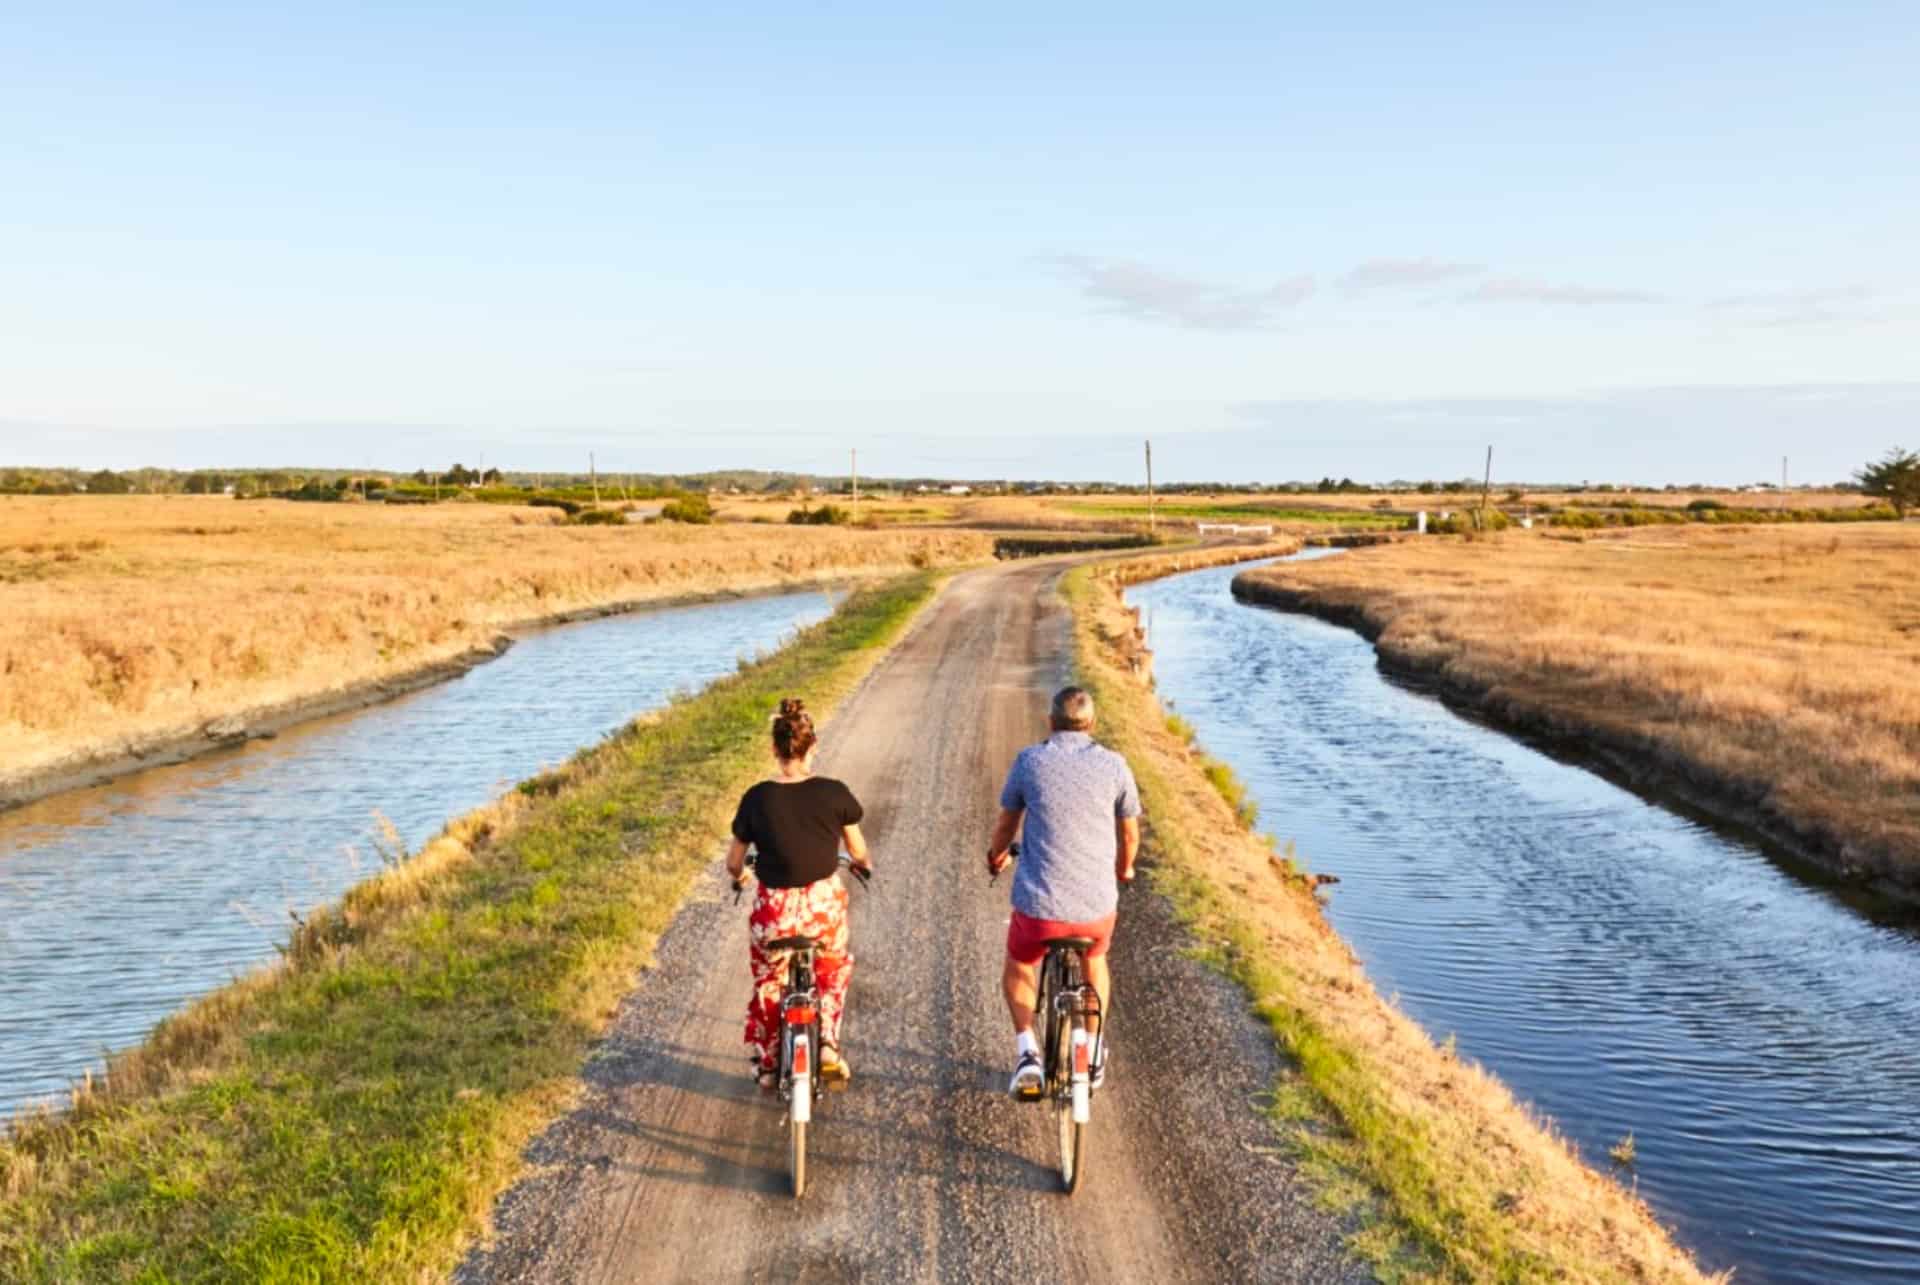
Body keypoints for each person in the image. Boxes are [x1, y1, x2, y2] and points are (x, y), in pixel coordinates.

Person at [986, 685, 1140, 1097]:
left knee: (1020, 964)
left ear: (1050, 722)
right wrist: (1124, 868)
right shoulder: (1115, 765)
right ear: (1092, 723)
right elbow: (1130, 832)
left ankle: (1027, 1053)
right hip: (1095, 910)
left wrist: (996, 855)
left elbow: (1005, 826)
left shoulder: (1030, 760)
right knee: (1096, 958)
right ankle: (1090, 1049)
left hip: (1039, 911)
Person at [727, 697, 871, 1091]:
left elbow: (734, 860)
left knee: (769, 981)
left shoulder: (756, 797)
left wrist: (740, 876)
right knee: (833, 969)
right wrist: (861, 865)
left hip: (773, 913)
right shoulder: (834, 792)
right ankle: (826, 1046)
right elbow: (858, 852)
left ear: (774, 749)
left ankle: (771, 1065)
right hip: (820, 911)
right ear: (813, 746)